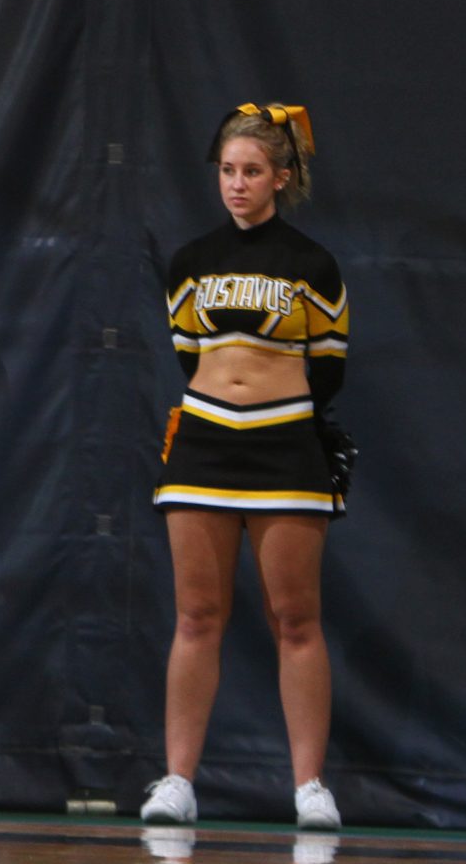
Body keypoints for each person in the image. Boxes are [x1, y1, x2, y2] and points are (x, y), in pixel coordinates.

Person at [145, 104, 348, 832]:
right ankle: (177, 779)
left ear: (282, 177)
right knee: (197, 615)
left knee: (296, 617)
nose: (237, 183)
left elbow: (329, 368)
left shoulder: (313, 264)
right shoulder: (191, 260)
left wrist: (279, 407)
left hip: (285, 444)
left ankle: (310, 786)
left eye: (252, 171)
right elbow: (184, 352)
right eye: (228, 170)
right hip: (202, 441)